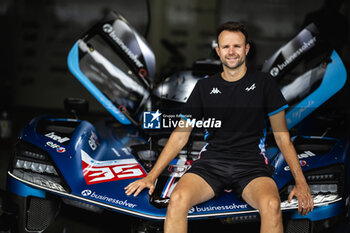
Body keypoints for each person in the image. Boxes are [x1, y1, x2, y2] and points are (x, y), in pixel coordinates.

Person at [125, 21, 314, 233]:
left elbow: (282, 138)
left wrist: (301, 182)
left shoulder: (264, 83)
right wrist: (152, 176)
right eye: (226, 47)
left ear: (246, 49)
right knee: (177, 199)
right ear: (218, 50)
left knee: (272, 205)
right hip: (212, 163)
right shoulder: (204, 87)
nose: (231, 52)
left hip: (250, 164)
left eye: (236, 46)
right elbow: (180, 136)